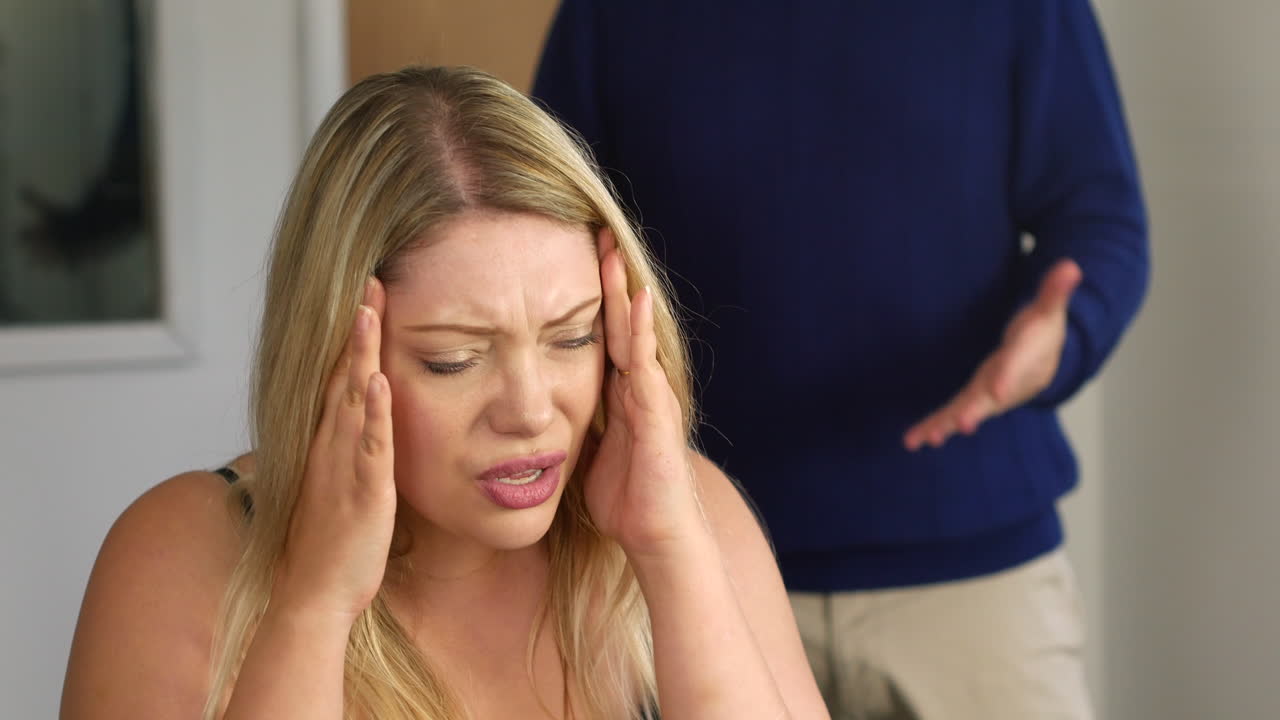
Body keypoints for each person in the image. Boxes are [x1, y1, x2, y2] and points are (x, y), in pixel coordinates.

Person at [59, 66, 829, 720]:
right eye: (454, 361)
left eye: (573, 337)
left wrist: (669, 551)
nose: (531, 411)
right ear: (331, 356)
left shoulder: (687, 513)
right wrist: (314, 605)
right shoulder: (186, 551)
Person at [533, 1, 1149, 718]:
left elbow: (1102, 220)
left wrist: (1062, 334)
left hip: (971, 565)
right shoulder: (608, 15)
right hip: (692, 556)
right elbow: (548, 222)